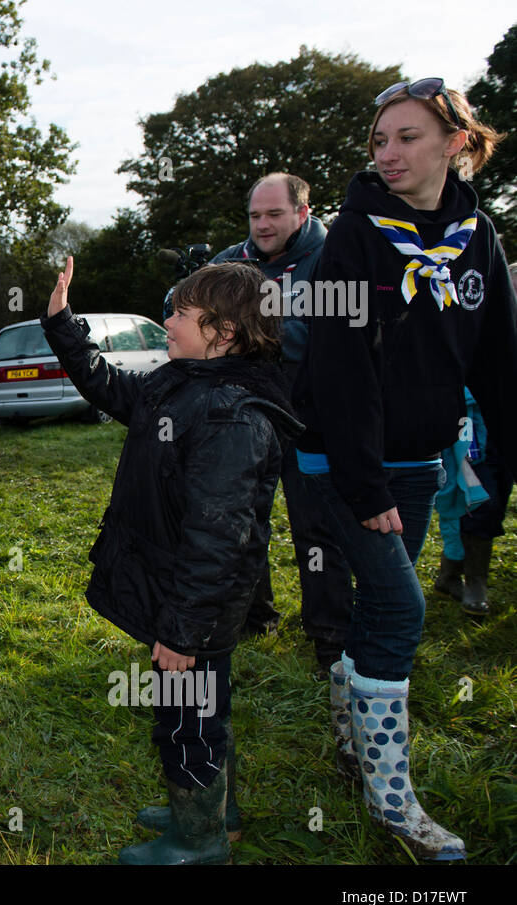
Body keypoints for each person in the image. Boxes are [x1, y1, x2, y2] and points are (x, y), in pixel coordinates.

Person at [292, 77, 515, 861]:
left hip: (425, 459)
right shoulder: (353, 236)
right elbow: (338, 366)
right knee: (401, 611)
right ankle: (394, 799)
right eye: (379, 140)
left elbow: (498, 359)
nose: (387, 153)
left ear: (455, 143)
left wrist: (504, 455)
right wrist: (364, 483)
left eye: (406, 138)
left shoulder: (478, 234)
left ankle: (351, 740)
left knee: (374, 607)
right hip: (348, 464)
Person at [44, 258, 299, 864]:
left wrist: (185, 631)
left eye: (181, 314)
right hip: (179, 596)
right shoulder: (183, 385)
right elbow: (111, 389)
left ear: (225, 332)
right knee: (199, 707)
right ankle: (215, 809)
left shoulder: (229, 416)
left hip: (196, 609)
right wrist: (62, 325)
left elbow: (219, 538)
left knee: (187, 717)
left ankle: (198, 839)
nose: (167, 323)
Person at [212, 173, 351, 666]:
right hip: (247, 419)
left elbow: (326, 337)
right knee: (243, 520)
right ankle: (255, 617)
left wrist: (246, 332)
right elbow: (188, 306)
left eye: (274, 215)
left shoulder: (334, 256)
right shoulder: (233, 260)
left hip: (313, 418)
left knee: (317, 529)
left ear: (303, 213)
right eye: (255, 216)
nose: (262, 226)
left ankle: (330, 636)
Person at [433, 387, 511, 616]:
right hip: (468, 421)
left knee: (499, 496)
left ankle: (449, 576)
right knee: (480, 502)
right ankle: (475, 583)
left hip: (502, 419)